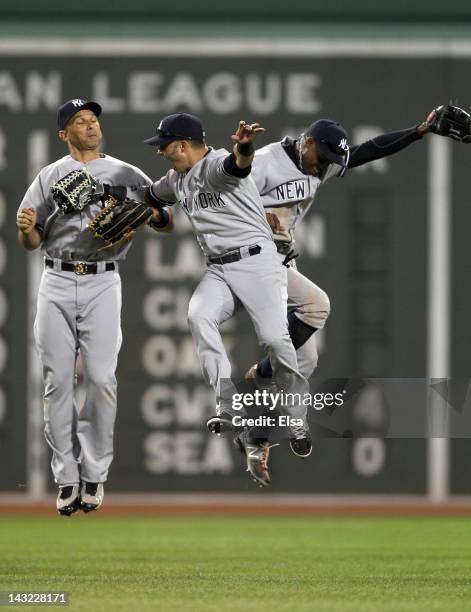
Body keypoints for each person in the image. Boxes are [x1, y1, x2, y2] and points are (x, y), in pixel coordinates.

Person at [16, 98, 172, 516]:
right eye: (80, 122)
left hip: (104, 279)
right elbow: (31, 242)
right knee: (57, 383)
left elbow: (165, 218)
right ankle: (67, 478)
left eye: (93, 120)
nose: (90, 125)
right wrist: (29, 230)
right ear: (64, 134)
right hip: (57, 277)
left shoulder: (125, 173)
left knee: (102, 380)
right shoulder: (49, 176)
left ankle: (94, 475)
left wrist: (150, 213)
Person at [144, 113, 310, 487]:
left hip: (257, 262)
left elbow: (238, 165)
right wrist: (141, 208)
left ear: (184, 145)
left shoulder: (214, 165)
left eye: (165, 145)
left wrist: (245, 145)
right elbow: (152, 197)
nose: (161, 152)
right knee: (198, 316)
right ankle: (228, 404)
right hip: (219, 270)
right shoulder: (176, 179)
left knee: (274, 340)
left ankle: (297, 417)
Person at [246, 115, 434, 384]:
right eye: (322, 156)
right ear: (307, 143)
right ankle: (259, 377)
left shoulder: (318, 164)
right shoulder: (265, 162)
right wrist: (256, 216)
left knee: (306, 359)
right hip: (251, 256)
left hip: (279, 259)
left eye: (331, 160)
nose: (325, 165)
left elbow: (370, 150)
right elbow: (221, 199)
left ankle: (268, 417)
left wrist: (419, 130)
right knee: (316, 305)